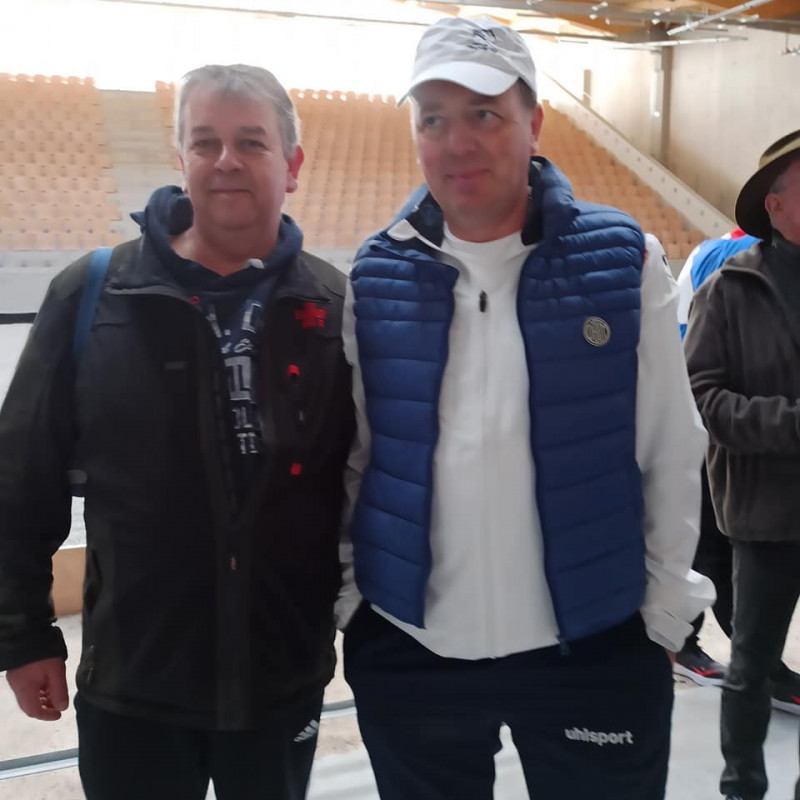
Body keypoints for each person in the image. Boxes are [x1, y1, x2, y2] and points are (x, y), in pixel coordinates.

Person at [337, 16, 714, 800]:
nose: (457, 142)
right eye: (433, 119)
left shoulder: (624, 259)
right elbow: (358, 454)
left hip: (595, 644)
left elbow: (671, 446)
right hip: (412, 647)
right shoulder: (377, 272)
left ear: (534, 122)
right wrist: (353, 602)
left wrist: (663, 614)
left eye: (484, 114)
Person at [0, 64, 354, 800]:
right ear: (181, 158)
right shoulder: (94, 294)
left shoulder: (332, 304)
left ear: (291, 165)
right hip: (136, 680)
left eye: (251, 142)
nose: (226, 160)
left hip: (280, 676)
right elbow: (20, 480)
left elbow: (360, 484)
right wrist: (23, 634)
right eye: (205, 142)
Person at [685, 129, 800, 800]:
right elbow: (705, 401)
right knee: (753, 665)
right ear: (775, 205)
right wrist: (793, 423)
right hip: (763, 514)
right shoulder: (729, 289)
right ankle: (742, 787)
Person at [674, 231, 800, 715]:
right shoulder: (726, 266)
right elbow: (698, 371)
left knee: (710, 551)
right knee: (713, 551)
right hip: (724, 448)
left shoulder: (715, 253)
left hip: (736, 447)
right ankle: (696, 649)